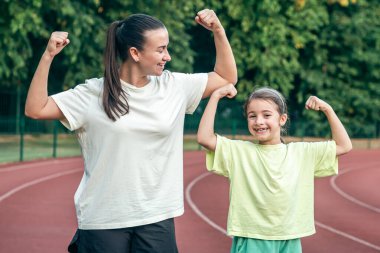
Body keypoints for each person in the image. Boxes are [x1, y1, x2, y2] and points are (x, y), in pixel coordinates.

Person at [25, 9, 237, 253]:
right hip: (103, 219)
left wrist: (218, 31)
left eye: (167, 48)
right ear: (135, 53)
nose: (167, 56)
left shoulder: (174, 87)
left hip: (156, 217)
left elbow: (226, 77)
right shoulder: (93, 93)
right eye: (160, 49)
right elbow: (36, 109)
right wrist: (48, 55)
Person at [197, 85, 352, 253]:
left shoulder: (302, 152)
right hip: (253, 236)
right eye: (252, 116)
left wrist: (328, 110)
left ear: (282, 119)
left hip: (289, 236)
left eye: (267, 115)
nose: (259, 121)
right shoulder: (239, 151)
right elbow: (205, 138)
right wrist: (215, 96)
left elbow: (344, 145)